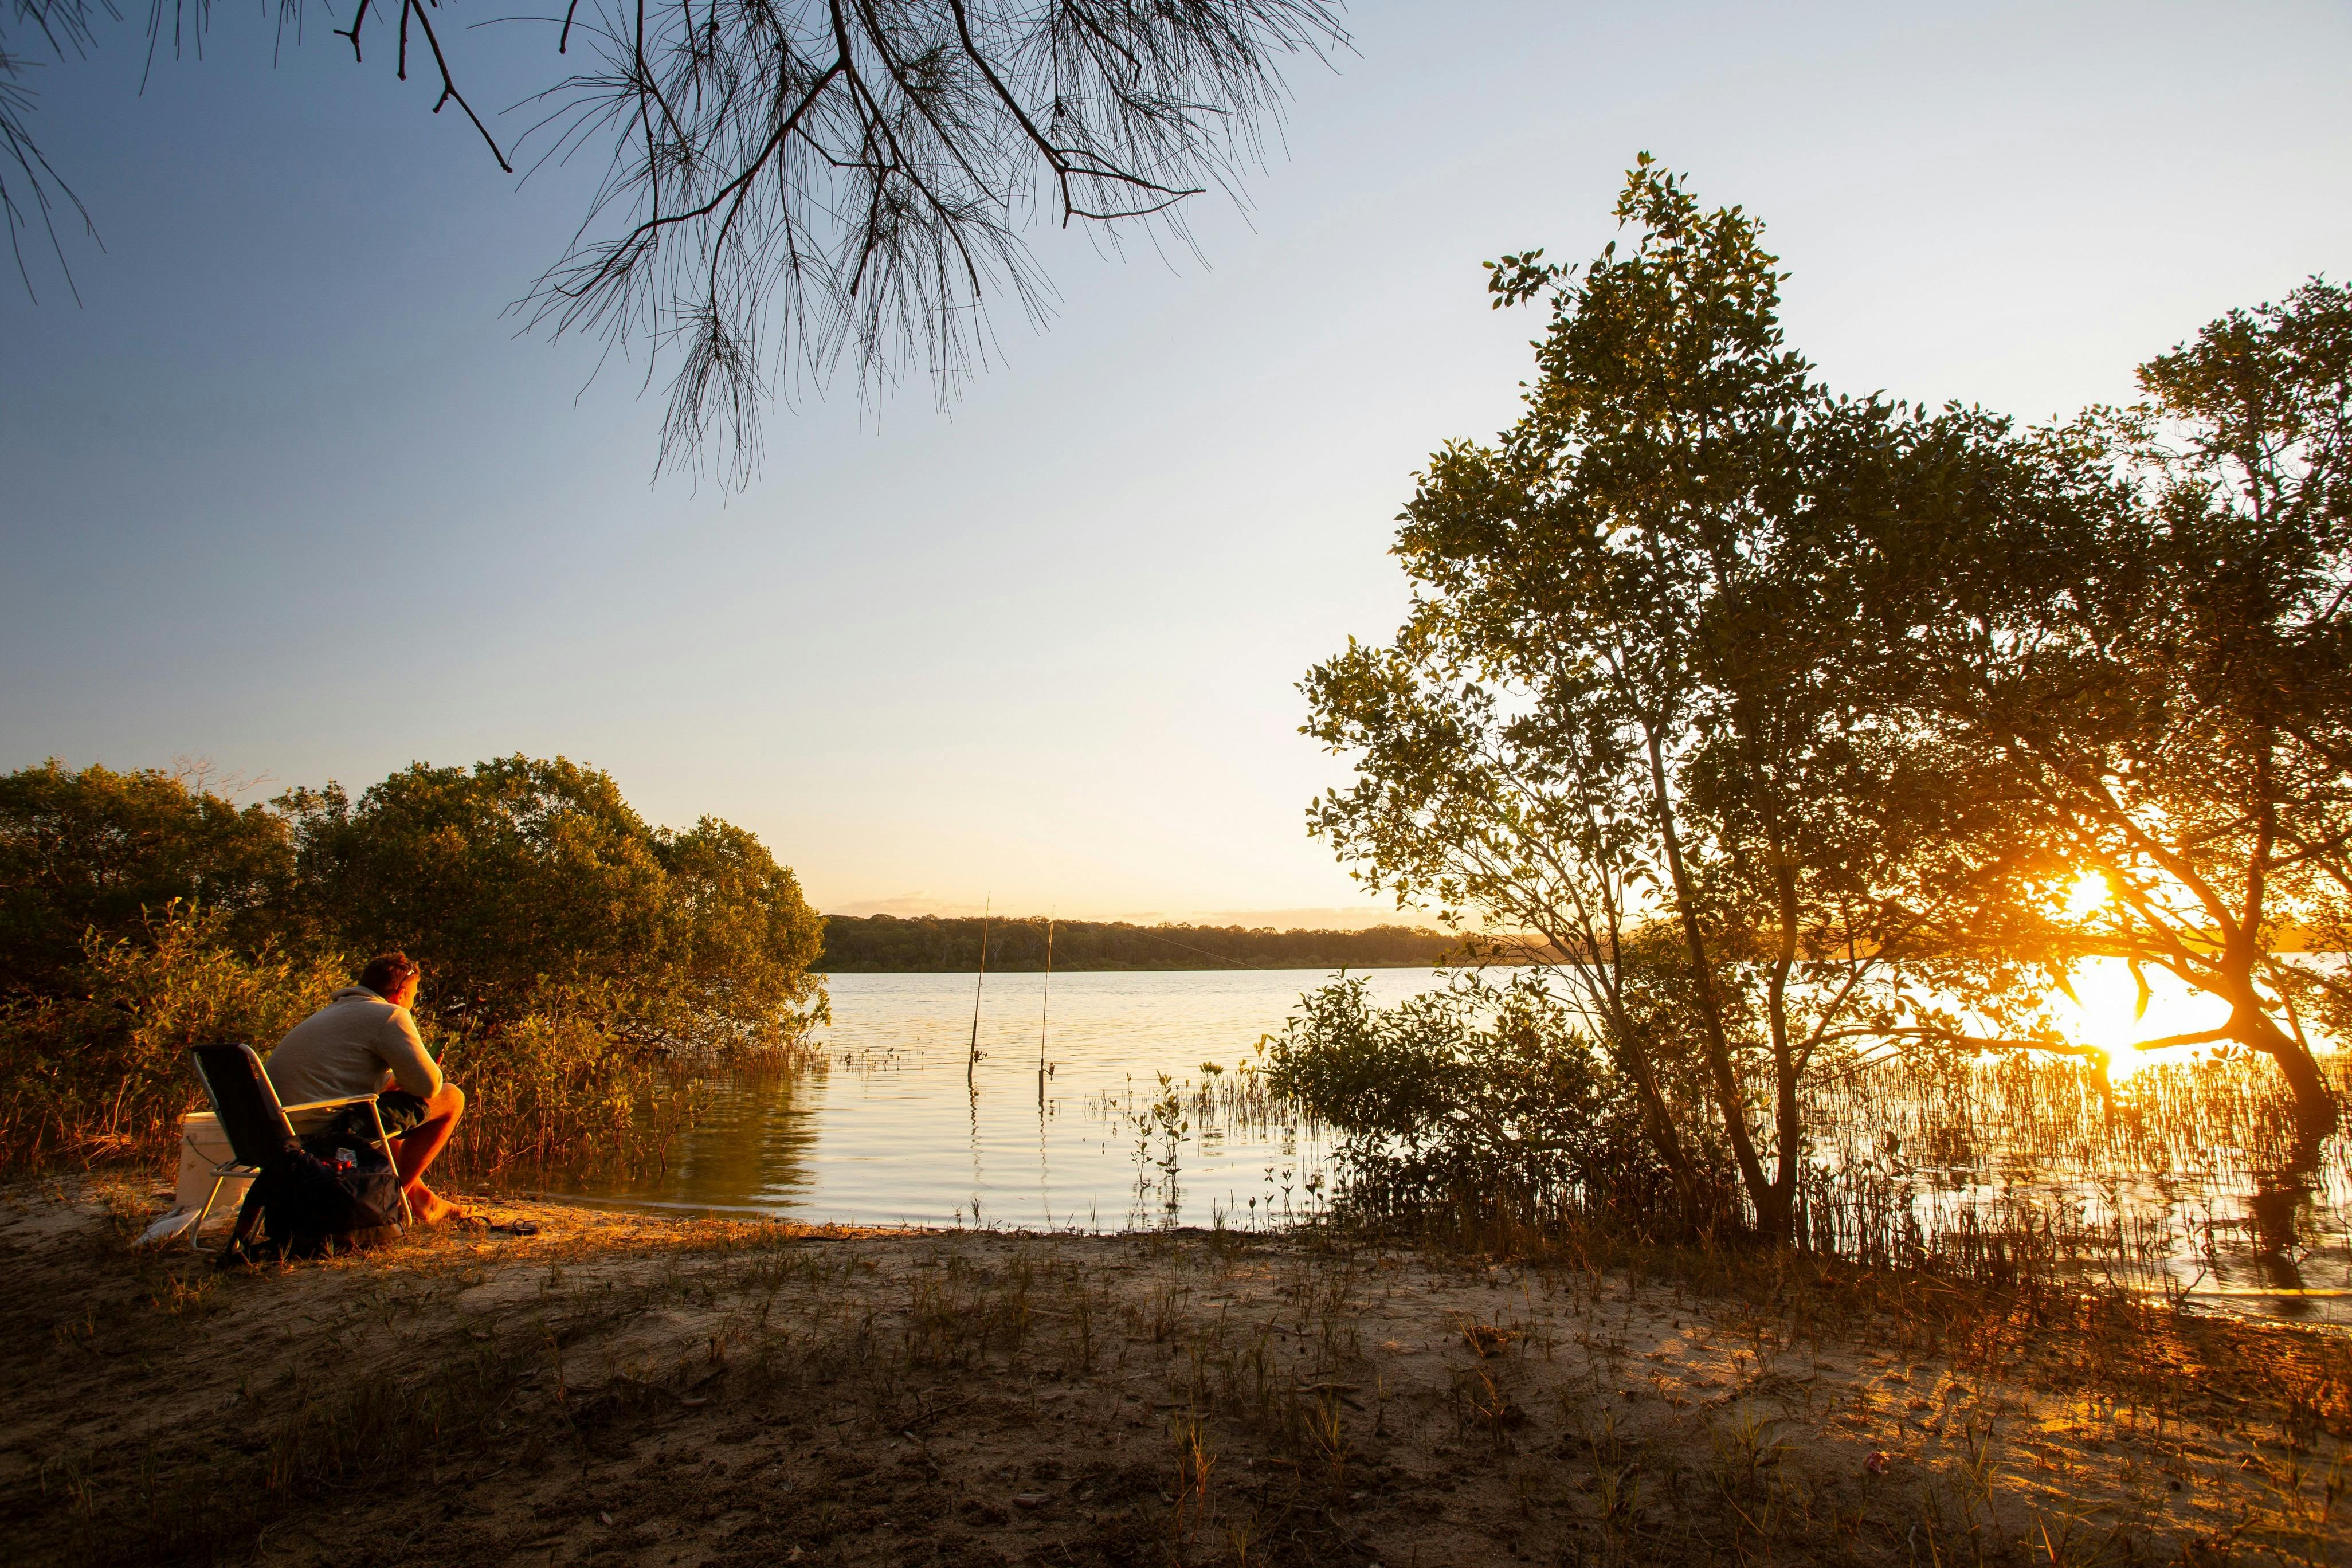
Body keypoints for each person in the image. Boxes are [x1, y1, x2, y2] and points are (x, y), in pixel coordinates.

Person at [266, 951, 467, 1226]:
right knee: (452, 1097)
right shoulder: (389, 1015)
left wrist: (396, 1083)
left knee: (389, 1106)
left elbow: (341, 1078)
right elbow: (430, 1087)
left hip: (274, 1131)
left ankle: (423, 1199)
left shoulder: (332, 1012)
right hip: (317, 1133)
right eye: (414, 994)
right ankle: (391, 1198)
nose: (413, 1002)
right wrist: (425, 1071)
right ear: (401, 992)